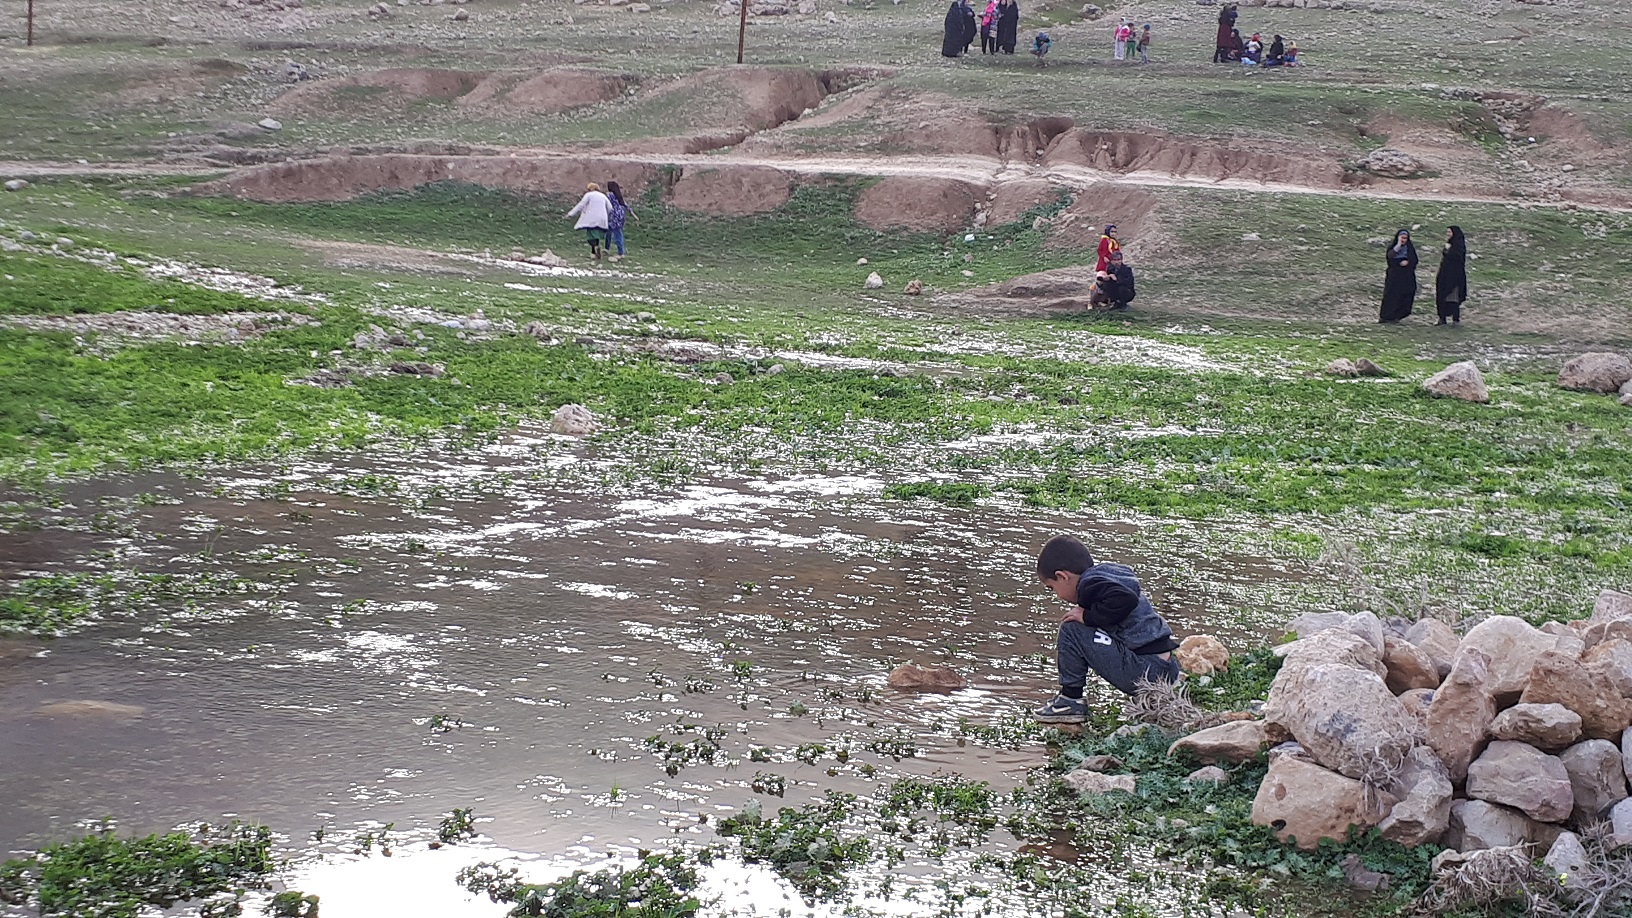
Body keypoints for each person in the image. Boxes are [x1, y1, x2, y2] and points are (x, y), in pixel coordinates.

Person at [1033, 535, 1180, 723]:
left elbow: (1125, 599)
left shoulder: (1088, 585)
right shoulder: (1108, 575)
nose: (1055, 595)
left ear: (1062, 576)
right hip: (1167, 670)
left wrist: (1087, 617)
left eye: (1051, 588)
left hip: (1146, 673)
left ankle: (1069, 701)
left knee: (1071, 629)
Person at [1379, 228, 1419, 323]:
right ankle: (1387, 317)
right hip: (1394, 277)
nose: (1403, 240)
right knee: (1391, 296)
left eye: (1405, 238)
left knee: (1406, 295)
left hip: (1406, 277)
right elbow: (1390, 257)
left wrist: (1408, 263)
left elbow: (1414, 260)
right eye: (1402, 238)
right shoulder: (1393, 247)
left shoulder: (1410, 249)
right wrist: (1398, 245)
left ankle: (1398, 316)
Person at [566, 182, 611, 262]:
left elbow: (581, 205)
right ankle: (594, 253)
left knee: (590, 236)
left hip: (591, 218)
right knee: (596, 236)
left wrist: (570, 214)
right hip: (602, 219)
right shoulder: (603, 196)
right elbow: (610, 208)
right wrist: (605, 214)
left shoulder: (589, 195)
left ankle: (595, 249)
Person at [1435, 225, 1468, 325]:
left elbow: (1458, 257)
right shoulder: (1449, 243)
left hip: (1455, 276)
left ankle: (1455, 319)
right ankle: (1442, 318)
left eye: (1449, 232)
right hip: (1445, 275)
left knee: (1454, 298)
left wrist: (1450, 251)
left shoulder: (1459, 244)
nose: (1448, 234)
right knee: (1442, 296)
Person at [605, 180, 638, 262]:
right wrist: (633, 215)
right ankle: (606, 248)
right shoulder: (619, 195)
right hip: (621, 215)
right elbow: (625, 205)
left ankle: (620, 252)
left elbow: (605, 202)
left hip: (614, 216)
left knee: (617, 233)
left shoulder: (610, 195)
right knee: (610, 231)